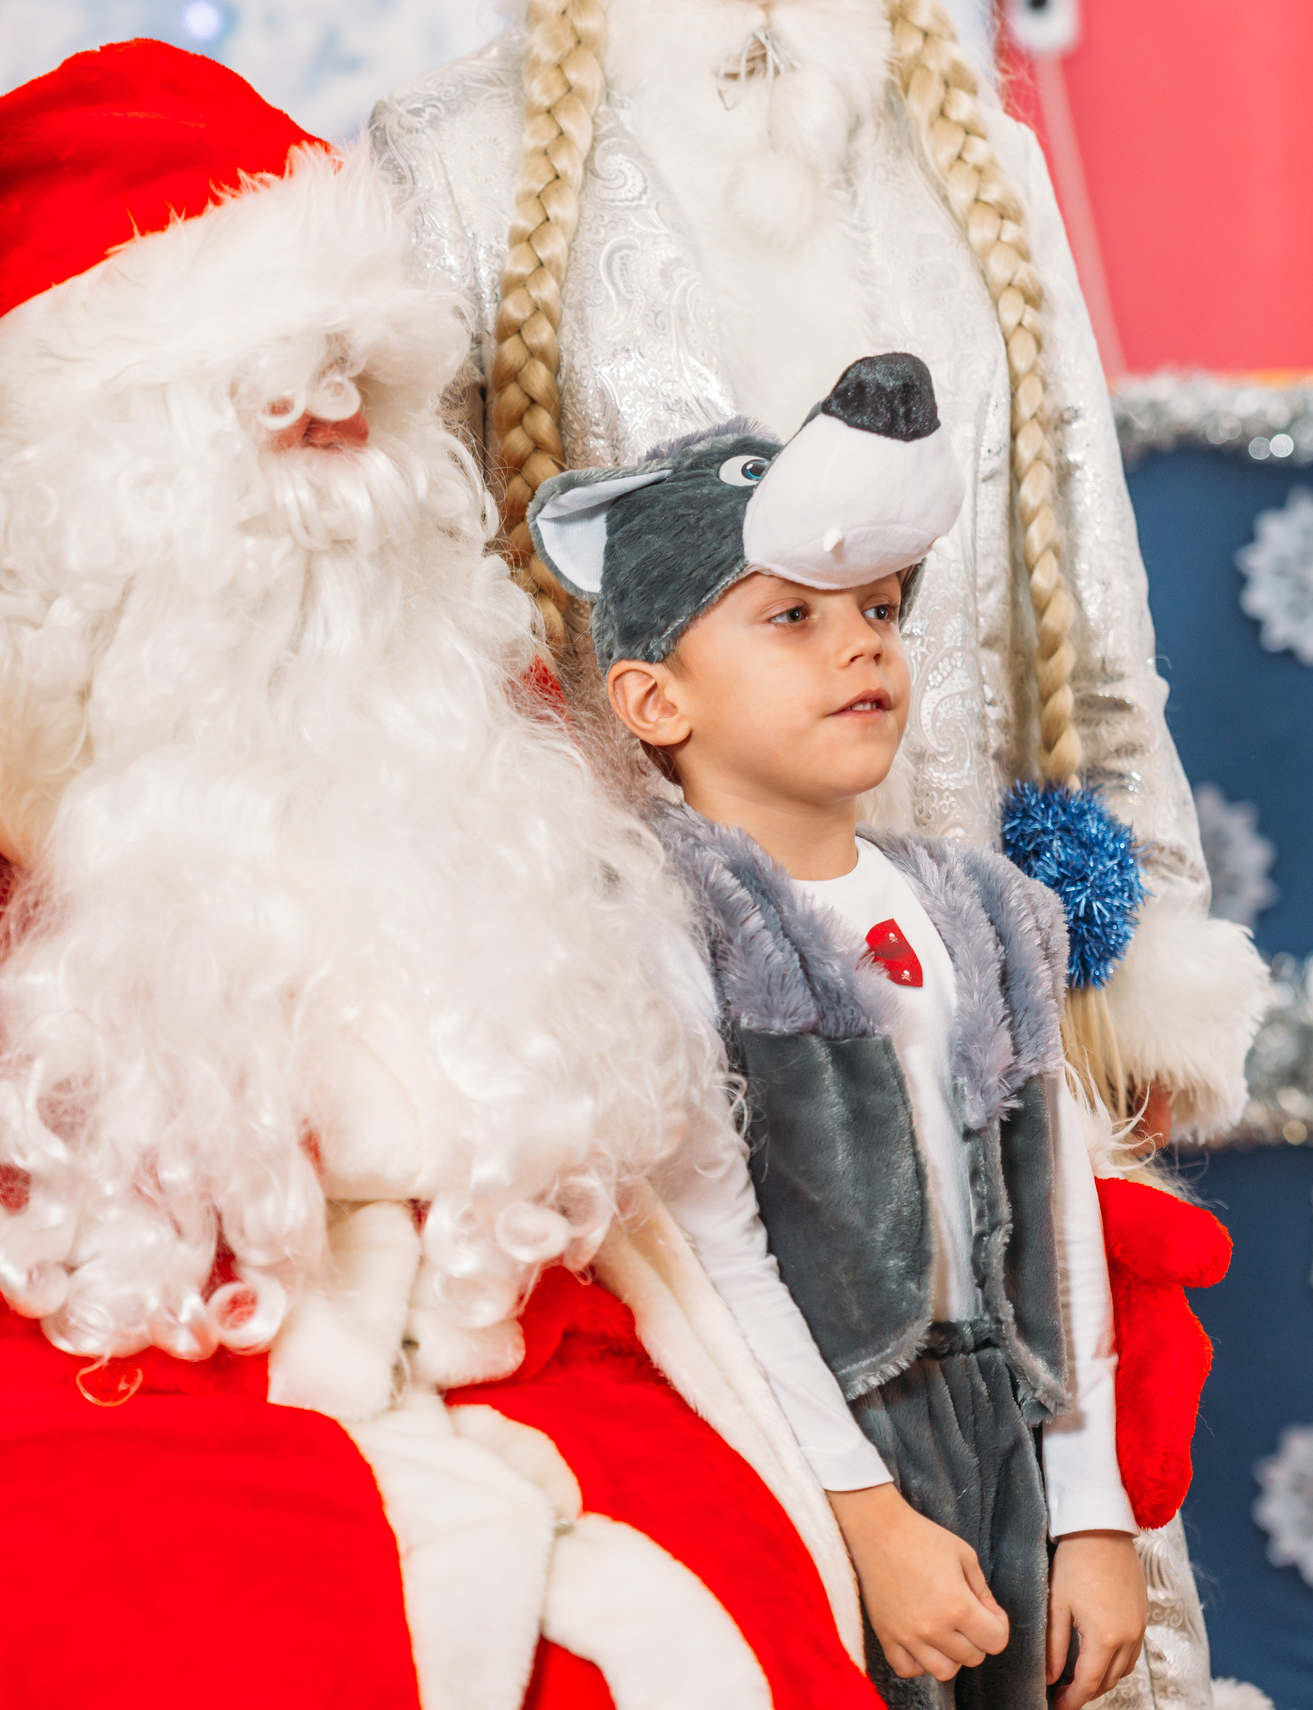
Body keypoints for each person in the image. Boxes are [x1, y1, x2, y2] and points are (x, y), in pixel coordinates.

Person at [0, 41, 883, 1708]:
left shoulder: (446, 698)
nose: (338, 427)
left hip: (475, 1337)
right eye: (271, 388)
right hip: (33, 1358)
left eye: (363, 375)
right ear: (77, 451)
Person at [370, 10, 1269, 1699]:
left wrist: (1146, 940)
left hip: (983, 1041)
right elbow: (415, 647)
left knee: (1069, 1625)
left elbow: (1092, 574)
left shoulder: (972, 152)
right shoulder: (452, 161)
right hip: (660, 1085)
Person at [524, 352, 1187, 1710]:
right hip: (798, 1444)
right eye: (790, 617)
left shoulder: (983, 907)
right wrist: (868, 1518)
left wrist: (1092, 1509)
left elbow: (1052, 1225)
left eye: (879, 607)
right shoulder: (670, 917)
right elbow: (715, 1249)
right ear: (657, 699)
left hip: (993, 1425)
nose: (862, 642)